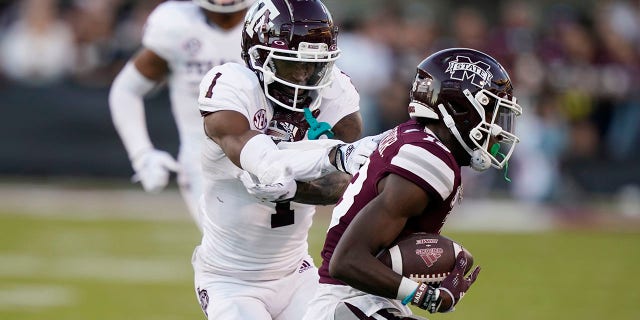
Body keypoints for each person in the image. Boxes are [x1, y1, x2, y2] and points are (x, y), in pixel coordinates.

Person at [191, 0, 384, 319]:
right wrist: (334, 154)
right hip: (230, 281)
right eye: (291, 64)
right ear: (257, 56)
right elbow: (260, 156)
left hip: (297, 275)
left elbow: (345, 184)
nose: (305, 76)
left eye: (314, 65)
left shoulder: (334, 93)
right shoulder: (231, 85)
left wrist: (296, 187)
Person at [303, 48, 524, 320]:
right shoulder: (430, 159)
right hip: (350, 302)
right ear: (459, 109)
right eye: (490, 113)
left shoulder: (419, 141)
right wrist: (427, 296)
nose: (496, 128)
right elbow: (347, 261)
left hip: (364, 300)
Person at [108, 0, 255, 230]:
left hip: (265, 156)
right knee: (235, 255)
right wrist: (141, 154)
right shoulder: (177, 25)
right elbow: (126, 89)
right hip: (203, 163)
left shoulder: (271, 20)